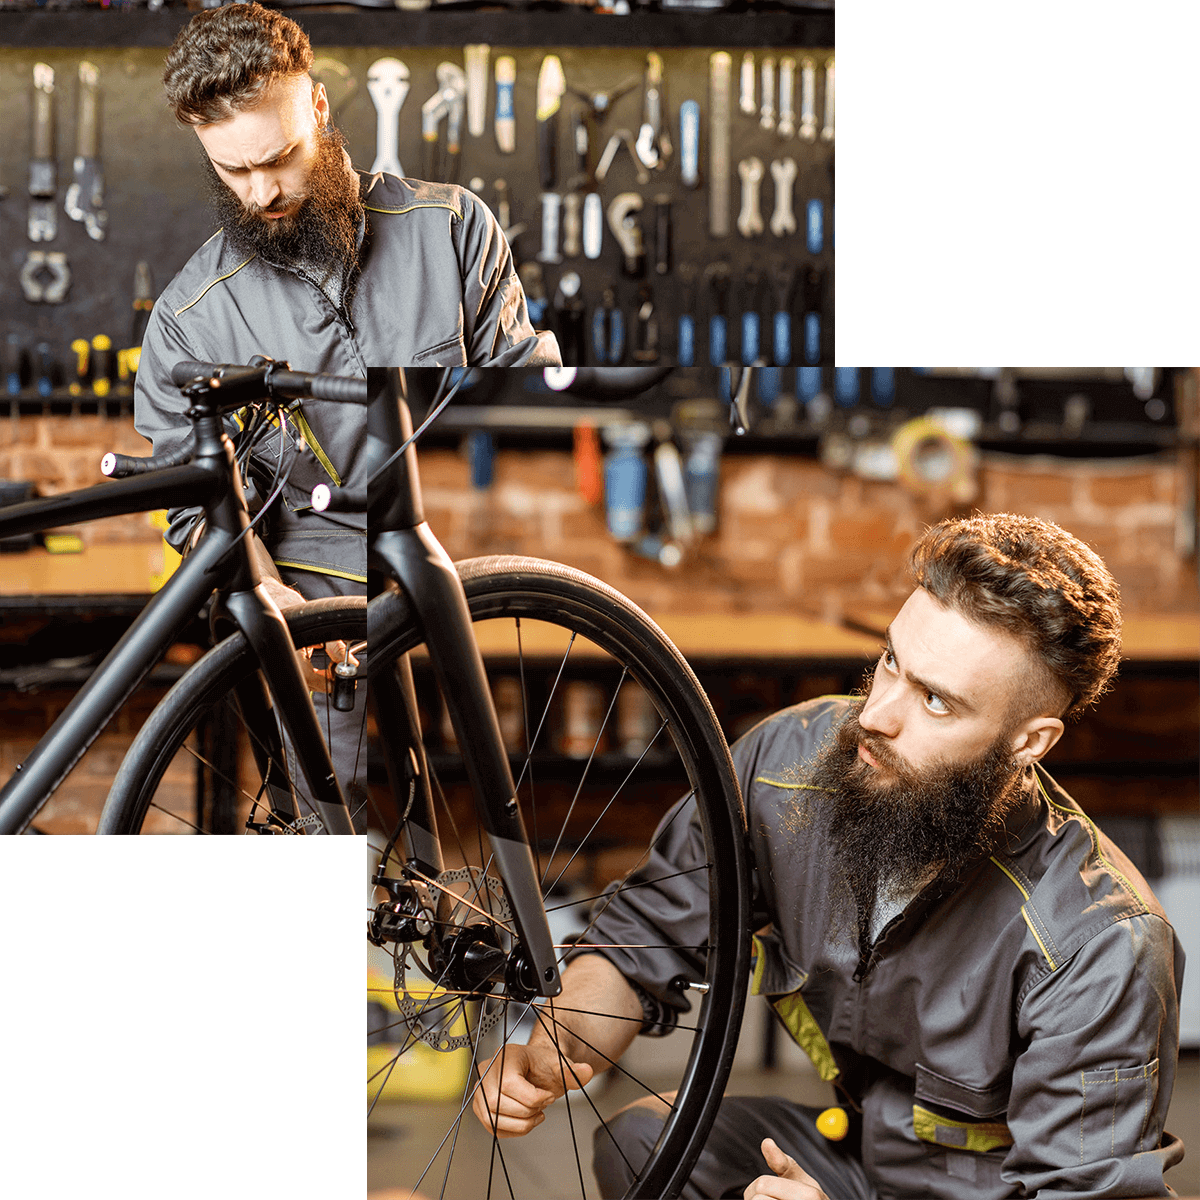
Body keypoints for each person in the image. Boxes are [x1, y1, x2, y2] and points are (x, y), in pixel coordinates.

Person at [472, 513, 1185, 1200]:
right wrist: (555, 1051)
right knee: (646, 1146)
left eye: (935, 701)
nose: (876, 713)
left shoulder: (1099, 945)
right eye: (892, 662)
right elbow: (652, 932)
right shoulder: (786, 763)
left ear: (1030, 743)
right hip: (855, 1157)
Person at [135, 1, 559, 593]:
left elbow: (530, 396)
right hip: (310, 614)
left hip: (456, 580)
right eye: (233, 170)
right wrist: (273, 599)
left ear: (318, 109)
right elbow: (200, 508)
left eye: (280, 159)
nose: (262, 193)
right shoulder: (189, 321)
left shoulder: (453, 230)